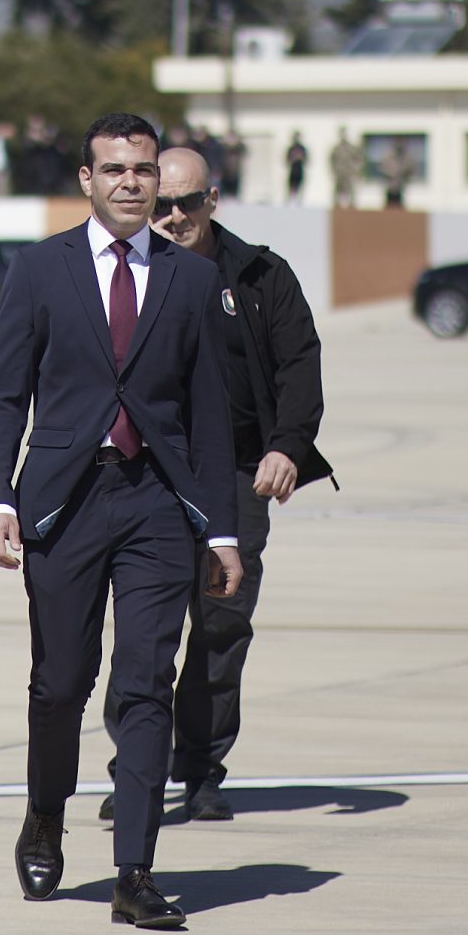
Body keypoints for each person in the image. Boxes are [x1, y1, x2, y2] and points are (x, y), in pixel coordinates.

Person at [0, 112, 242, 931]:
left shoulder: (191, 280)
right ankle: (44, 815)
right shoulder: (39, 269)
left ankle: (135, 871)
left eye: (144, 169)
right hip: (65, 501)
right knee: (61, 681)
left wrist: (221, 530)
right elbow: (1, 396)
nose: (132, 182)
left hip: (158, 500)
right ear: (86, 180)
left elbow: (210, 415)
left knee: (146, 682)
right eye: (115, 169)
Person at [99, 147, 331, 823]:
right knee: (144, 630)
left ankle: (201, 770)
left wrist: (287, 446)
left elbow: (300, 366)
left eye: (188, 203)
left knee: (221, 626)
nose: (174, 217)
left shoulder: (261, 275)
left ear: (213, 201)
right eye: (162, 205)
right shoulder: (124, 274)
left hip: (234, 474)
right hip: (147, 473)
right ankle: (135, 771)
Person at [329, 128, 364, 209]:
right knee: (337, 189)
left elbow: (358, 158)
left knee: (350, 189)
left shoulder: (351, 148)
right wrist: (334, 170)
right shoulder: (336, 148)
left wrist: (356, 169)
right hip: (339, 172)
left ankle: (352, 205)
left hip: (348, 172)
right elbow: (332, 160)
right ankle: (336, 205)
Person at [284, 133, 309, 205]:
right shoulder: (291, 148)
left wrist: (300, 158)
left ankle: (299, 201)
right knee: (291, 187)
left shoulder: (302, 148)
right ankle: (290, 200)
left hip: (300, 169)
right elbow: (287, 159)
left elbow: (306, 159)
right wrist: (293, 159)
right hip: (293, 169)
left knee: (300, 186)